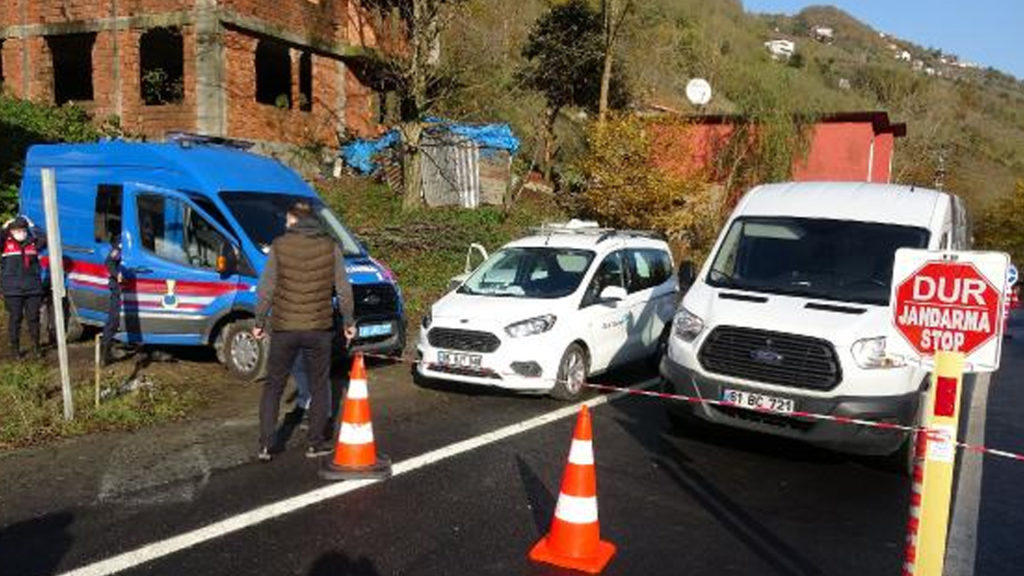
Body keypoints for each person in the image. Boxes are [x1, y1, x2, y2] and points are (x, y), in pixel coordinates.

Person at [253, 201, 356, 462]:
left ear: (294, 220)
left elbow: (267, 288)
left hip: (285, 328)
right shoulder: (330, 245)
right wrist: (348, 322)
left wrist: (259, 321)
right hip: (318, 329)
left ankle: (266, 445)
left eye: (287, 220)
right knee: (320, 385)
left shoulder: (280, 245)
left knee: (274, 385)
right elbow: (344, 289)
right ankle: (315, 443)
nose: (285, 224)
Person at [1, 216, 47, 359]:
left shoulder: (33, 243)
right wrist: (4, 227)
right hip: (12, 289)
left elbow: (44, 239)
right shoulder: (4, 243)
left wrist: (33, 225)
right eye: (16, 230)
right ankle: (15, 350)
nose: (20, 232)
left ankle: (36, 347)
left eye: (22, 229)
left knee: (33, 318)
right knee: (15, 318)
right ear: (11, 231)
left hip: (33, 288)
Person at [100, 235, 124, 366]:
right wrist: (117, 274)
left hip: (130, 288)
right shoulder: (122, 242)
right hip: (119, 287)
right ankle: (105, 353)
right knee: (113, 319)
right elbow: (109, 262)